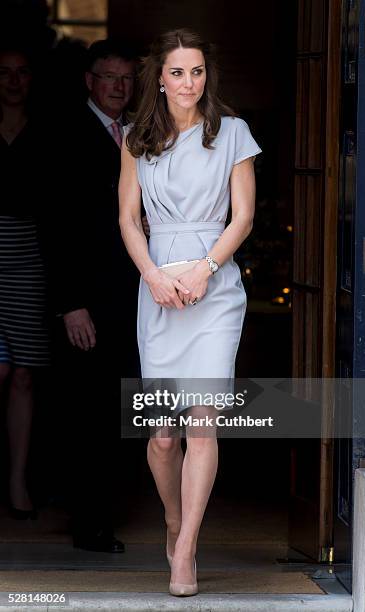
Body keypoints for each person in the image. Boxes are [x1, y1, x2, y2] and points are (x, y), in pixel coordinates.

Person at [119, 29, 261, 595]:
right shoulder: (135, 137)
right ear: (159, 78)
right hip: (156, 287)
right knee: (161, 435)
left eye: (197, 71)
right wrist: (153, 275)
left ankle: (186, 550)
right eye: (177, 72)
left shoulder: (233, 133)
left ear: (208, 76)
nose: (188, 82)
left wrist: (205, 269)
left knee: (202, 425)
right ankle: (173, 518)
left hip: (215, 286)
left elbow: (243, 217)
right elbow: (129, 220)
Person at [52, 39, 140, 553]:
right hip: (86, 299)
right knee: (86, 410)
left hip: (135, 295)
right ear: (90, 81)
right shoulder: (64, 133)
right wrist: (70, 303)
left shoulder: (140, 133)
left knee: (122, 406)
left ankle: (104, 510)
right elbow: (57, 226)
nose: (118, 87)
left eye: (126, 78)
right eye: (109, 77)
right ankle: (89, 522)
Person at [0, 47, 50, 519]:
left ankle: (17, 480)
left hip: (31, 255)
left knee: (24, 374)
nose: (14, 81)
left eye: (22, 71)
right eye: (5, 73)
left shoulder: (48, 128)